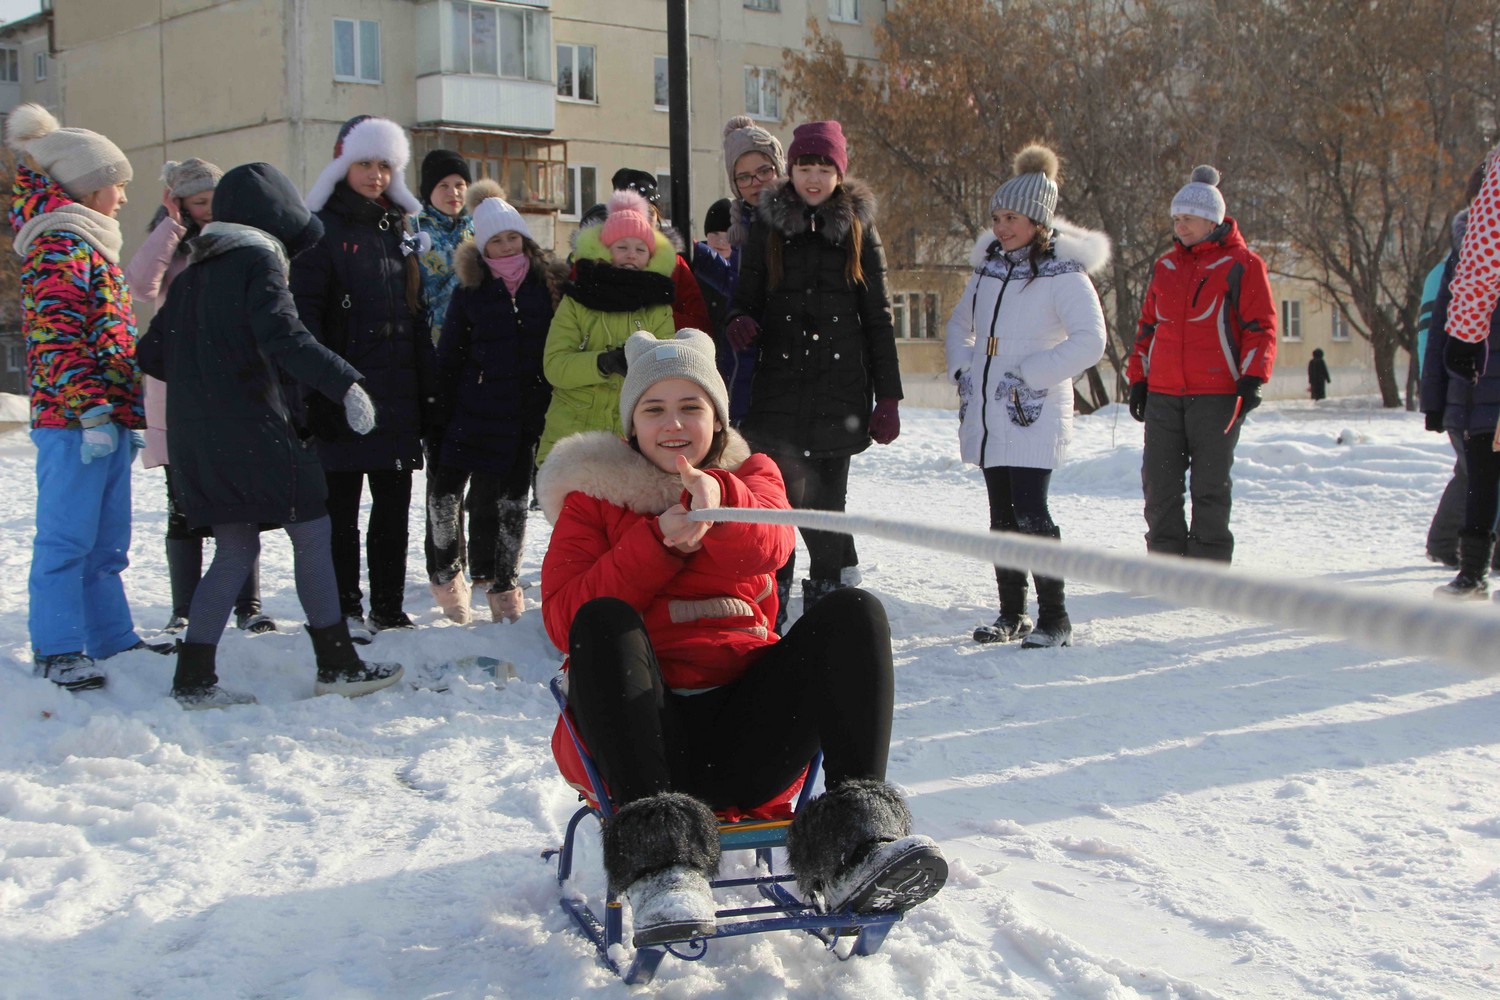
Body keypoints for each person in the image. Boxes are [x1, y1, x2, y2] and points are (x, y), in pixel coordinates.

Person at [537, 329, 946, 947]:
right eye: (654, 409)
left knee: (854, 611)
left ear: (718, 418)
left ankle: (856, 844)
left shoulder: (753, 478)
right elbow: (562, 618)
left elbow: (774, 542)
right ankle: (659, 865)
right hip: (645, 739)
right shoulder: (593, 498)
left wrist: (719, 501)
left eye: (690, 407)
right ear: (631, 424)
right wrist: (654, 544)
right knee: (600, 618)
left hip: (751, 736)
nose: (673, 424)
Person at [138, 163, 404, 706]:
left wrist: (211, 371)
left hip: (199, 443)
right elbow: (286, 336)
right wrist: (346, 383)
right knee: (311, 535)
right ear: (274, 220)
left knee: (234, 550)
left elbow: (152, 355)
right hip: (259, 432)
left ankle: (193, 679)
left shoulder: (190, 276)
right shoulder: (257, 261)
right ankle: (337, 664)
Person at [6, 103, 173, 691]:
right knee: (66, 539)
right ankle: (55, 647)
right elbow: (57, 339)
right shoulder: (57, 246)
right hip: (73, 421)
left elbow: (108, 334)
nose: (123, 197)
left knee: (106, 542)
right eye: (118, 186)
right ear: (89, 187)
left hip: (106, 417)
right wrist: (91, 409)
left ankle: (111, 638)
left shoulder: (88, 243)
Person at [724, 119, 902, 629]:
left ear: (839, 172)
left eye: (824, 167)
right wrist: (738, 320)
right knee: (779, 508)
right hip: (778, 390)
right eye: (805, 166)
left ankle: (828, 616)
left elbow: (879, 319)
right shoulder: (768, 225)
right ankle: (770, 615)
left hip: (840, 394)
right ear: (793, 170)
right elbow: (746, 295)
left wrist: (887, 398)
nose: (814, 177)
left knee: (826, 511)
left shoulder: (860, 232)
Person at [944, 145, 1109, 649]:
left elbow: (1091, 341)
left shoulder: (1063, 272)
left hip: (1031, 408)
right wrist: (964, 369)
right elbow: (959, 324)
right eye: (996, 216)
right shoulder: (990, 267)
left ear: (1038, 220)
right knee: (1001, 515)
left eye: (1011, 217)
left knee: (1032, 511)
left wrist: (1033, 373)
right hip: (990, 407)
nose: (1001, 226)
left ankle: (1054, 618)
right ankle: (1011, 613)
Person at [291, 115, 434, 640]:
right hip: (343, 393)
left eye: (384, 166)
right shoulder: (319, 231)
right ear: (341, 162)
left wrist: (427, 389)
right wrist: (325, 388)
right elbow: (303, 317)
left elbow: (416, 314)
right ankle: (345, 606)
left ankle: (389, 606)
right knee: (341, 511)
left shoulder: (398, 228)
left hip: (397, 394)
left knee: (393, 510)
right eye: (364, 164)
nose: (374, 175)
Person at [125, 157, 273, 636]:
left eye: (216, 198)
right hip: (179, 393)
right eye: (200, 200)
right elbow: (140, 285)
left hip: (234, 389)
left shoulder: (244, 242)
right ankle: (184, 606)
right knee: (182, 504)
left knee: (242, 500)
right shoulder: (171, 244)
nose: (210, 209)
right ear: (180, 202)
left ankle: (247, 604)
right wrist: (171, 226)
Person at [1126, 165, 1277, 563]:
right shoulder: (1166, 267)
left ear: (1211, 220)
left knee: (1210, 484)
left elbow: (1260, 327)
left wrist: (1252, 377)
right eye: (1176, 219)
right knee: (1160, 482)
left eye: (1187, 219)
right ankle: (1165, 558)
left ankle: (1207, 565)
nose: (1180, 226)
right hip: (1163, 392)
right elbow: (1147, 328)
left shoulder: (1242, 264)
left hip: (1218, 394)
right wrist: (1138, 379)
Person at [427, 190, 557, 624]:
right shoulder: (471, 290)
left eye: (512, 237)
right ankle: (448, 578)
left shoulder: (547, 283)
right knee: (446, 496)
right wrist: (438, 411)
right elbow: (450, 355)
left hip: (524, 411)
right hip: (473, 406)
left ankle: (505, 588)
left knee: (513, 504)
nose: (506, 247)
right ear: (482, 248)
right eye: (495, 241)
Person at [535, 188, 677, 465]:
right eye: (622, 247)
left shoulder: (658, 306)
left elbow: (668, 367)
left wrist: (642, 363)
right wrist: (602, 363)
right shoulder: (577, 300)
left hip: (632, 440)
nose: (631, 255)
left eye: (640, 249)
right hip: (574, 434)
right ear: (605, 251)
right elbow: (554, 366)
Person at [1422, 154, 1500, 598]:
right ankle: (1472, 573)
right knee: (1479, 479)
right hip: (1472, 387)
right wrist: (1435, 397)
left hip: (1484, 381)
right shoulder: (1462, 260)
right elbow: (1439, 334)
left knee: (1480, 480)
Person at [608, 167, 711, 335]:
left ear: (657, 218)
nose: (640, 221)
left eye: (648, 213)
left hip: (660, 357)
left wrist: (652, 318)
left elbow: (700, 328)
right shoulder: (594, 263)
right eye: (633, 213)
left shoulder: (675, 266)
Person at [692, 198, 749, 424]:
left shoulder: (746, 272)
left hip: (732, 361)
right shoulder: (696, 266)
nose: (720, 240)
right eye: (714, 234)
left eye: (726, 234)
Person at [412, 148, 474, 346]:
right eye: (443, 186)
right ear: (430, 190)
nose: (453, 193)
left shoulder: (480, 226)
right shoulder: (413, 228)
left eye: (459, 185)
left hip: (475, 338)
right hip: (430, 340)